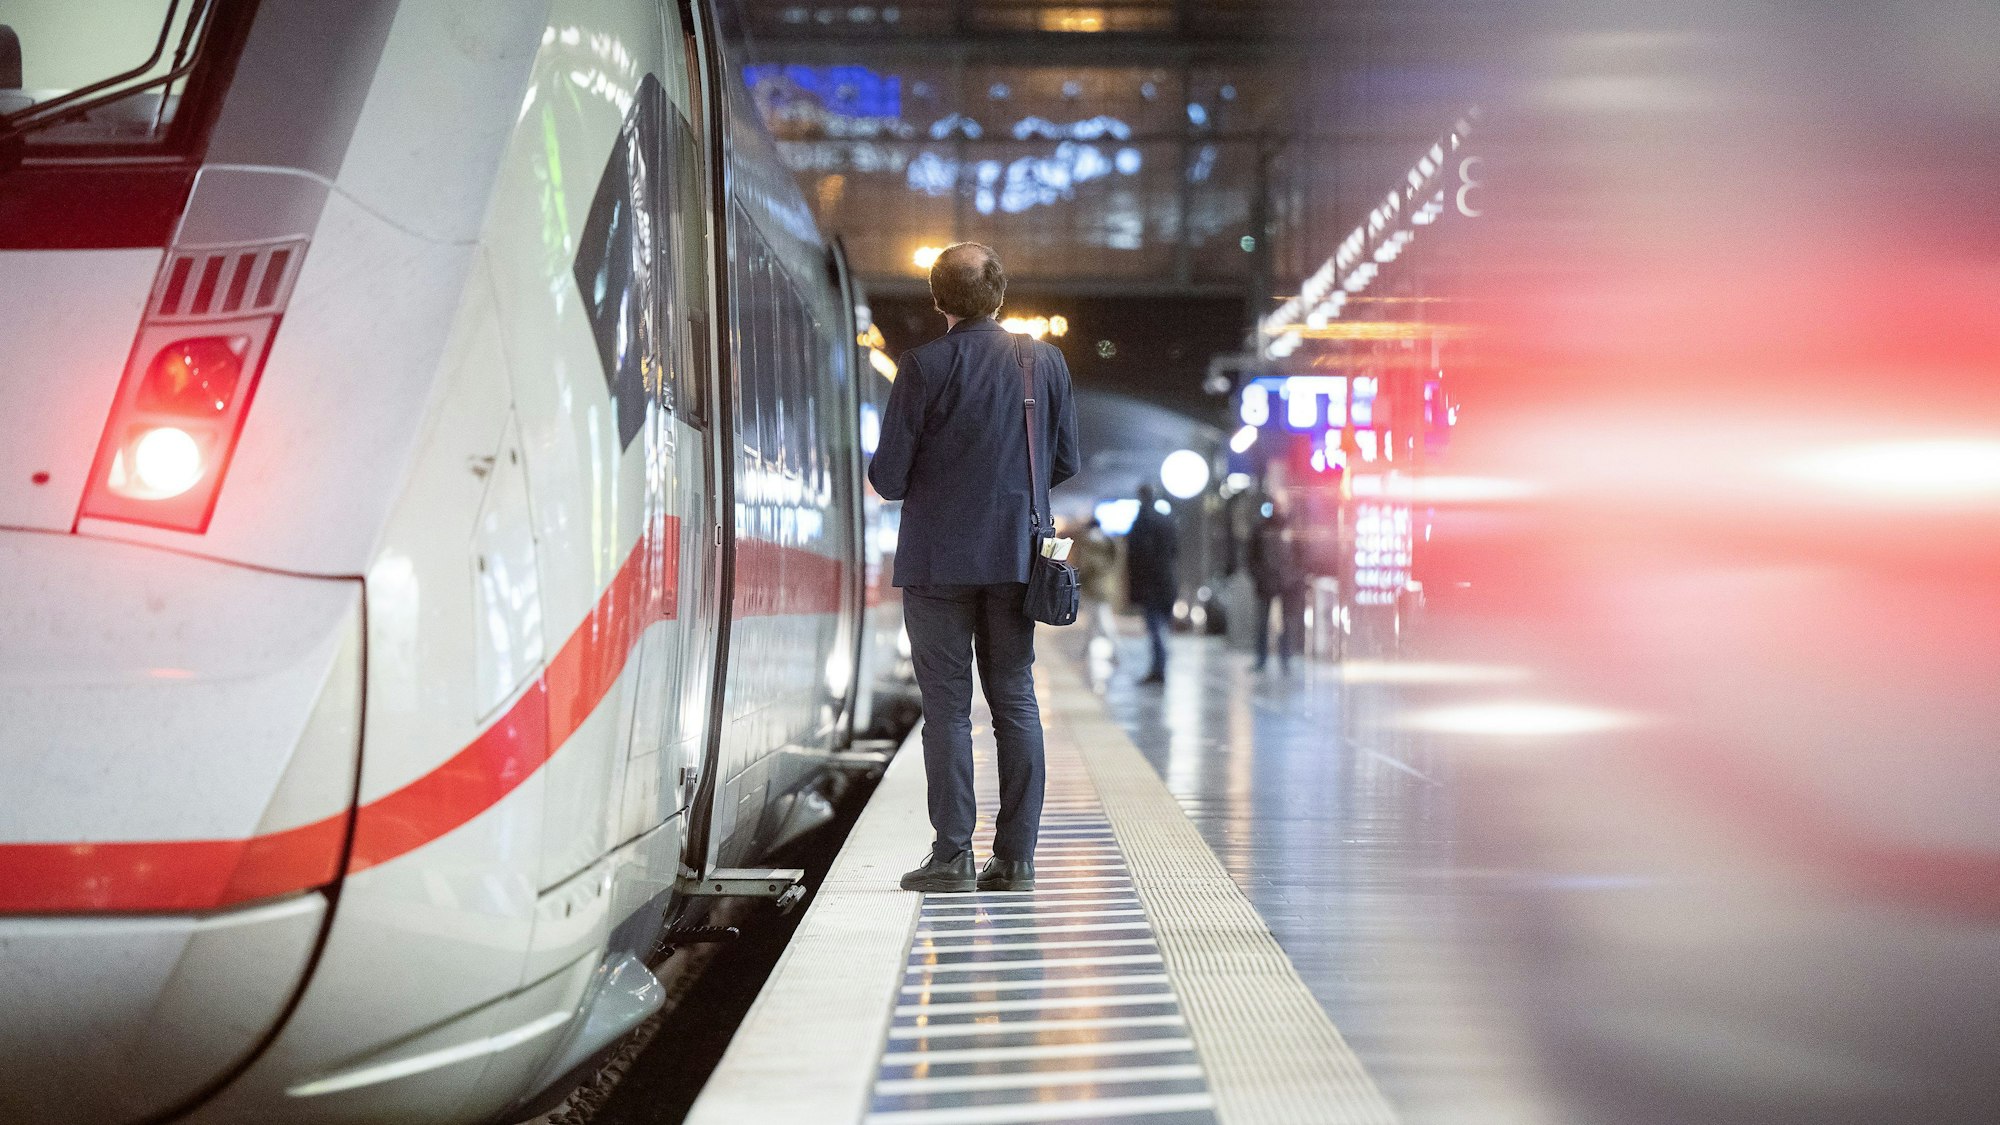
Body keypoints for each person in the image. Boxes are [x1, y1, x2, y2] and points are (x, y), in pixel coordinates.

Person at [867, 243, 1081, 894]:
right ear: (1000, 294)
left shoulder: (923, 367)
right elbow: (1064, 460)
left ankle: (952, 856)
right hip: (1017, 555)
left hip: (937, 560)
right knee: (1015, 701)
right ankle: (1015, 859)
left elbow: (889, 477)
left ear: (937, 298)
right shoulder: (1042, 363)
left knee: (947, 709)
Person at [1124, 483, 1178, 684]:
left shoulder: (1142, 522)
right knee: (1162, 628)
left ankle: (1159, 669)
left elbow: (1136, 558)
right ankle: (1160, 666)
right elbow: (1174, 551)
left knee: (1155, 629)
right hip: (1168, 582)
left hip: (1151, 585)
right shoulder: (1166, 520)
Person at [1247, 507, 1309, 672]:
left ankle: (1284, 659)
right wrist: (1261, 576)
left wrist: (1293, 577)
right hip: (1268, 584)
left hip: (1287, 585)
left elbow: (1301, 558)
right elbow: (1252, 557)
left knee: (1286, 623)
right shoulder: (1262, 529)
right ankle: (1264, 659)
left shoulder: (1292, 529)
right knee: (1263, 623)